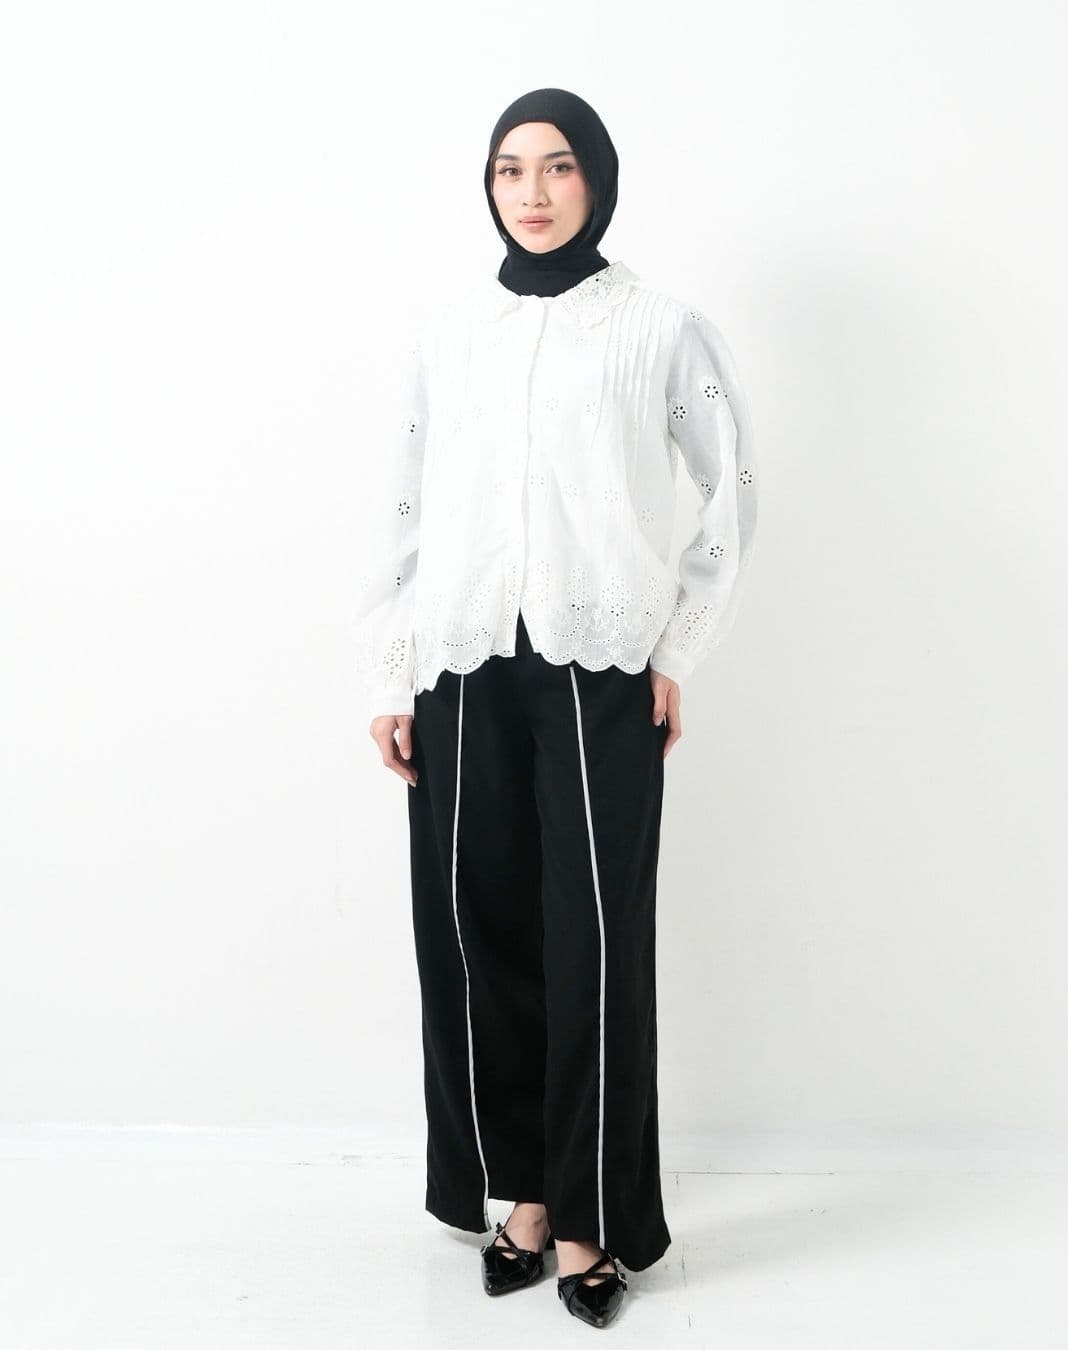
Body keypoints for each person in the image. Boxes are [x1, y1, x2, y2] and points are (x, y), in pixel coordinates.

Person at [352, 86, 758, 1329]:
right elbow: (405, 505)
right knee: (480, 938)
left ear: (599, 180)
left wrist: (678, 647)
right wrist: (391, 671)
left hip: (599, 664)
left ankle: (592, 1218)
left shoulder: (657, 328)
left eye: (559, 166)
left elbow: (731, 487)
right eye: (509, 169)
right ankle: (523, 1193)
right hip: (462, 666)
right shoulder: (451, 336)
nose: (532, 192)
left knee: (594, 944)